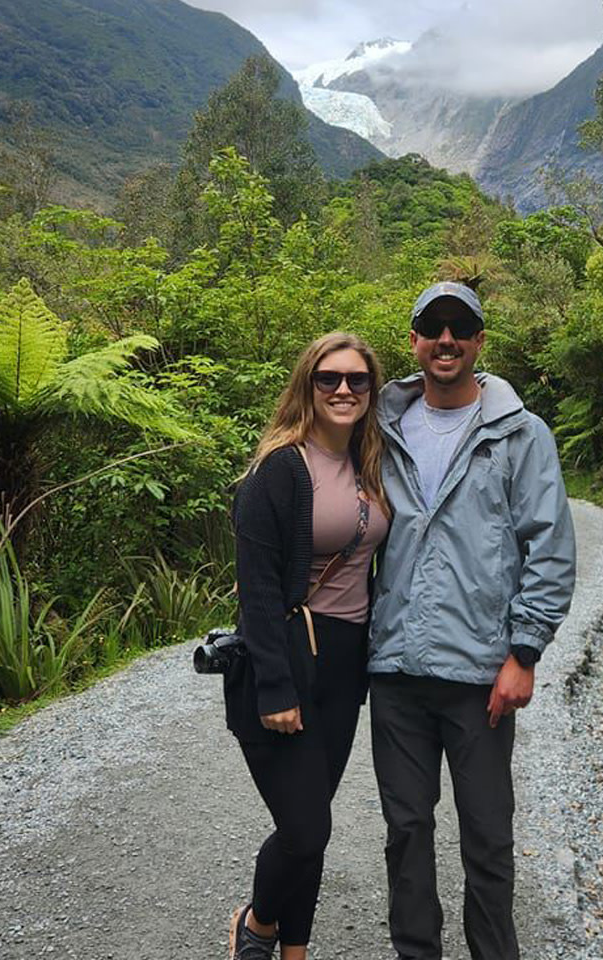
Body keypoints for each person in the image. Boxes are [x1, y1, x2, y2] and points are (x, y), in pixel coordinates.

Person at [368, 281, 577, 960]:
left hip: (480, 672)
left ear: (480, 341)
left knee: (487, 835)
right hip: (396, 670)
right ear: (415, 341)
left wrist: (525, 653)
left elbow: (548, 544)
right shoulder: (380, 428)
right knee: (406, 830)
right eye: (434, 328)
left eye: (461, 327)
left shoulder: (520, 434)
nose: (447, 340)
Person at [225, 332, 390, 960]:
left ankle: (295, 949)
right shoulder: (279, 469)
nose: (343, 390)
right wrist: (275, 685)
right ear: (308, 385)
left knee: (312, 823)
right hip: (289, 658)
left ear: (373, 392)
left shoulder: (371, 462)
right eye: (329, 378)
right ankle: (259, 925)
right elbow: (259, 591)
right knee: (305, 827)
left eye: (357, 380)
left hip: (347, 667)